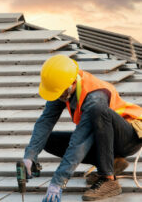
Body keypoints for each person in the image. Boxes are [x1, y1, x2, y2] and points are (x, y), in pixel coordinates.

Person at [23, 54, 142, 202]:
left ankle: (108, 179)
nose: (59, 97)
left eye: (61, 93)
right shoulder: (63, 87)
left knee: (98, 111)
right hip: (106, 138)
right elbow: (46, 121)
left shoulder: (95, 96)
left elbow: (79, 141)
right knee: (49, 140)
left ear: (72, 83)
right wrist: (30, 155)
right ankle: (112, 162)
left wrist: (58, 182)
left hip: (128, 137)